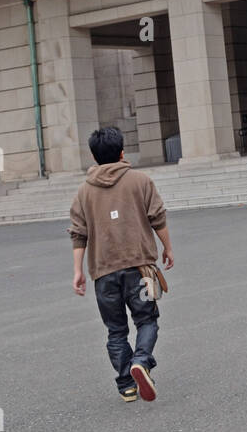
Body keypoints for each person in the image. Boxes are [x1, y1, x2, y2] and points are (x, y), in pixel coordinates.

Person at [69, 126, 174, 403]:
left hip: (103, 273)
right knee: (147, 319)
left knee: (116, 330)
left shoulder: (83, 191)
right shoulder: (140, 180)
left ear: (94, 156)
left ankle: (126, 385)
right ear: (122, 152)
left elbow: (78, 233)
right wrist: (168, 248)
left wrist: (78, 271)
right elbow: (157, 218)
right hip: (139, 267)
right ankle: (141, 360)